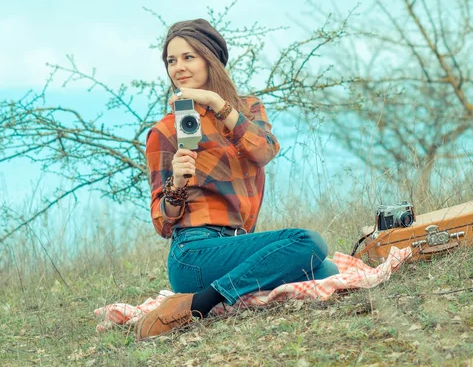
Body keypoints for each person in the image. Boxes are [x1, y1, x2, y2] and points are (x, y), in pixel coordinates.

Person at [135, 18, 339, 340]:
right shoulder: (165, 131)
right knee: (308, 242)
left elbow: (264, 150)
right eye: (171, 60)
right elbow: (162, 223)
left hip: (238, 246)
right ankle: (202, 303)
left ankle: (214, 296)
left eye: (188, 57)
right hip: (195, 254)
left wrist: (216, 103)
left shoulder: (247, 109)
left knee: (327, 270)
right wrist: (176, 183)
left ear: (210, 58)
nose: (178, 68)